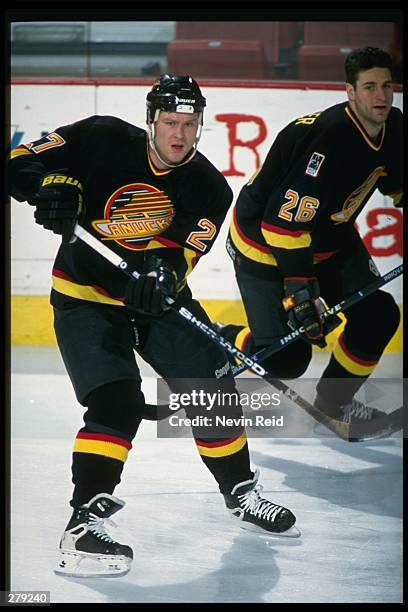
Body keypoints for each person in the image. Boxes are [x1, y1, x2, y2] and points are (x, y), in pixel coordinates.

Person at [7, 75, 300, 579]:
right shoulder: (98, 137)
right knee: (116, 400)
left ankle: (240, 493)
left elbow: (180, 255)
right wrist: (44, 187)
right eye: (170, 122)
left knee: (212, 388)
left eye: (189, 124)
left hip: (157, 302)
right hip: (85, 299)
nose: (179, 135)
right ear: (151, 121)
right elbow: (17, 163)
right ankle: (82, 525)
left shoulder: (209, 187)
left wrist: (162, 275)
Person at [220, 47, 402, 439]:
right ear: (350, 92)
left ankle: (333, 404)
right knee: (287, 358)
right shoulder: (327, 139)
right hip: (264, 246)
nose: (381, 96)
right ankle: (228, 336)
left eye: (386, 85)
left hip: (329, 238)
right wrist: (302, 293)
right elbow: (281, 227)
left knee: (379, 315)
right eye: (369, 87)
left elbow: (398, 189)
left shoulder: (395, 128)